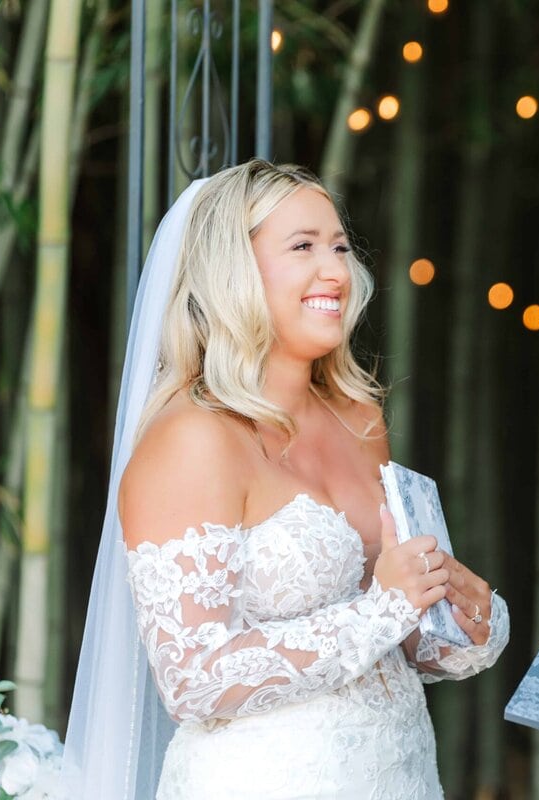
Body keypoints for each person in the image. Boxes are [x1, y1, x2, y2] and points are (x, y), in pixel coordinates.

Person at [61, 160, 509, 800]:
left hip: (398, 773)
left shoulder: (360, 418)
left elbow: (388, 636)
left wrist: (456, 618)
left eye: (340, 247)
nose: (336, 272)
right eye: (303, 247)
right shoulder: (192, 439)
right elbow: (191, 678)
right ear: (230, 272)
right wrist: (383, 609)